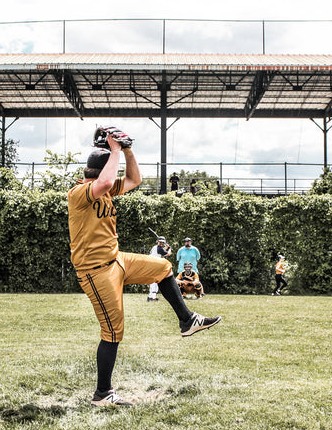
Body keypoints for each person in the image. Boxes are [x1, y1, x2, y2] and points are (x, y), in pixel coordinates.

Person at [67, 126, 221, 408]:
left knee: (162, 267)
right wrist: (114, 151)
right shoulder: (79, 192)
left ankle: (187, 321)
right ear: (100, 173)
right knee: (113, 331)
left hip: (116, 260)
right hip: (95, 270)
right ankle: (103, 394)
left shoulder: (104, 188)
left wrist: (126, 150)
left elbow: (134, 179)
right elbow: (104, 182)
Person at [146, 237, 169, 302]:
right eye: (160, 242)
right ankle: (153, 297)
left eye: (162, 242)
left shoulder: (155, 247)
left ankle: (150, 296)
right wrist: (169, 249)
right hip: (154, 266)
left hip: (151, 265)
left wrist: (166, 248)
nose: (161, 243)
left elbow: (161, 251)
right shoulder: (158, 248)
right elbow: (168, 254)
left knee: (153, 281)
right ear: (157, 242)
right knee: (155, 281)